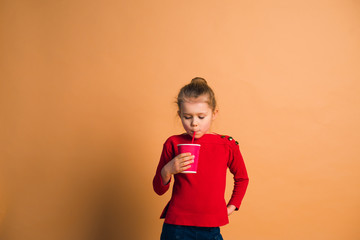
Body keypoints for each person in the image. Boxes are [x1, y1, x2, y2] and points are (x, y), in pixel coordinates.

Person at [153, 77, 249, 240]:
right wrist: (168, 170)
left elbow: (242, 178)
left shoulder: (227, 145)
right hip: (176, 226)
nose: (194, 124)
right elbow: (158, 189)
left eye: (201, 117)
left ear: (214, 114)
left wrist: (232, 206)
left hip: (210, 228)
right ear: (180, 115)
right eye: (187, 117)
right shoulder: (173, 143)